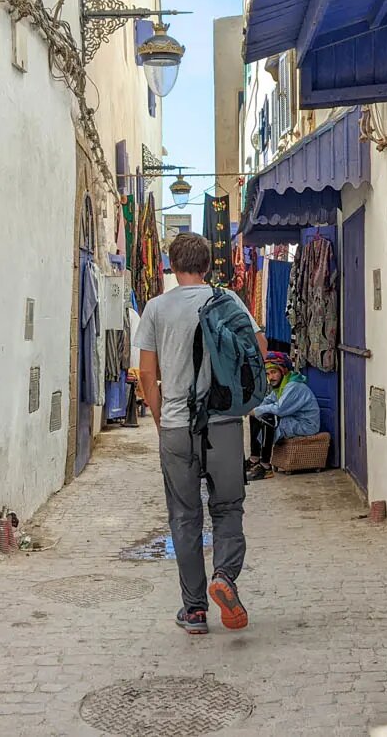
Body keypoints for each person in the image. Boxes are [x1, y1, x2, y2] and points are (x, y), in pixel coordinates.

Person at [134, 233, 267, 636]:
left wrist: (160, 420)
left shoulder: (156, 308)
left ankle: (193, 611)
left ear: (171, 267)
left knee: (185, 517)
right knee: (227, 509)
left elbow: (145, 374)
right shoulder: (227, 301)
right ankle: (224, 577)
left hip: (177, 427)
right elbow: (258, 348)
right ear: (208, 266)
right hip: (224, 424)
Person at [246, 352, 321, 480]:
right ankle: (254, 459)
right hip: (294, 420)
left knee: (269, 419)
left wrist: (257, 410)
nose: (271, 377)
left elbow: (280, 409)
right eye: (268, 374)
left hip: (306, 425)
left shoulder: (294, 386)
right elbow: (268, 401)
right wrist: (252, 409)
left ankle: (265, 467)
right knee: (257, 415)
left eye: (274, 372)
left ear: (284, 371)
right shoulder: (281, 386)